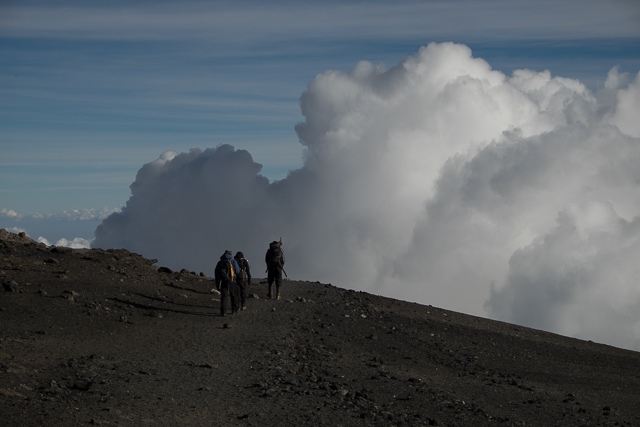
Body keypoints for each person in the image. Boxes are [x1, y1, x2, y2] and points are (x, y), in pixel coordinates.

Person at [214, 250, 240, 316]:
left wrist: (217, 283)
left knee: (224, 296)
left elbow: (217, 274)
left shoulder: (220, 262)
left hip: (223, 281)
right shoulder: (233, 261)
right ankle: (234, 310)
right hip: (232, 280)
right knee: (233, 295)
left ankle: (223, 311)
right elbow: (237, 271)